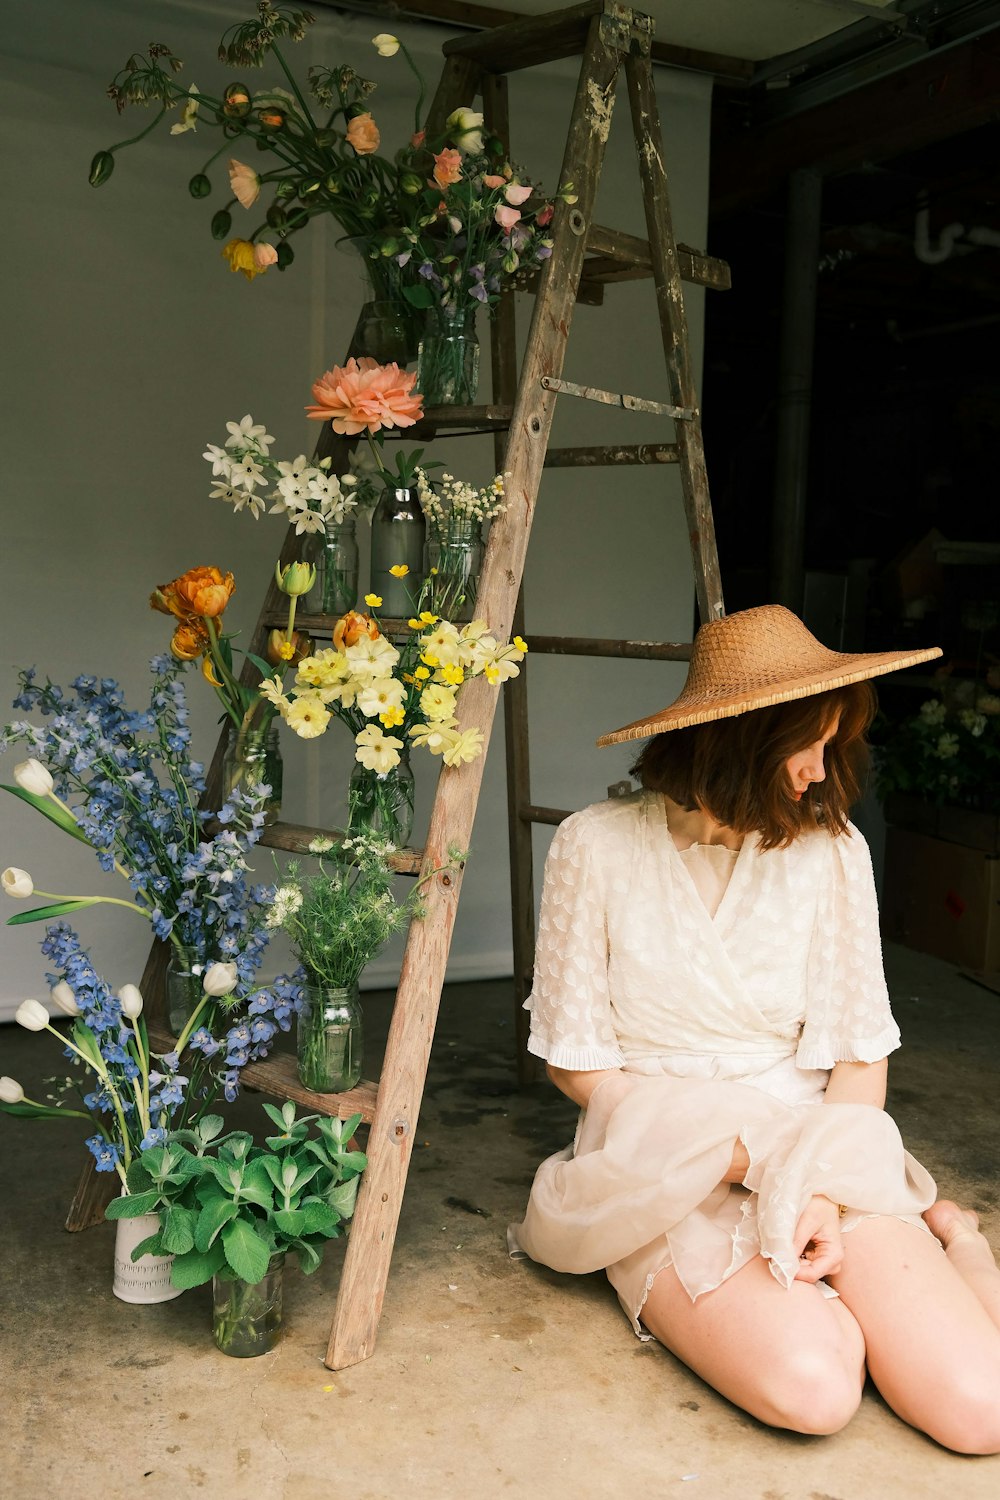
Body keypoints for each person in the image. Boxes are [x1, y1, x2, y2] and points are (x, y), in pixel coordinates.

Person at [510, 605, 1000, 1454]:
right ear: (736, 738)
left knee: (982, 1412)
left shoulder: (833, 852)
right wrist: (739, 1156)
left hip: (822, 1150)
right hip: (657, 1158)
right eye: (805, 746)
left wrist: (816, 1186)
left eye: (834, 744)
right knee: (816, 1390)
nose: (820, 772)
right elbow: (576, 1063)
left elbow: (856, 1060)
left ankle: (956, 1247)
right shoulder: (594, 847)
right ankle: (850, 1312)